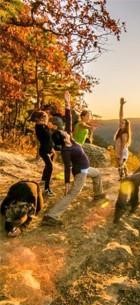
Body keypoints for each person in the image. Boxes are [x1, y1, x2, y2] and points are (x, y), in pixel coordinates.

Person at [43, 92, 106, 226]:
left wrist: (67, 103)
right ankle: (51, 215)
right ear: (63, 138)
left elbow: (69, 120)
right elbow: (67, 168)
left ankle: (98, 194)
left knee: (97, 174)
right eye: (64, 133)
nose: (66, 131)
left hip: (86, 168)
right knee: (72, 194)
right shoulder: (66, 151)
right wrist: (66, 184)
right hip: (81, 172)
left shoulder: (70, 138)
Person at [33, 111, 56, 197]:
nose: (46, 119)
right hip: (44, 150)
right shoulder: (39, 127)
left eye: (46, 117)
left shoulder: (44, 126)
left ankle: (44, 179)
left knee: (48, 166)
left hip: (49, 150)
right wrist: (48, 126)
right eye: (44, 117)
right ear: (40, 118)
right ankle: (46, 189)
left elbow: (49, 139)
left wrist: (52, 149)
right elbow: (45, 138)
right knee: (50, 167)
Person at [114, 97, 132, 179]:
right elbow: (120, 116)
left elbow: (123, 146)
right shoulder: (120, 130)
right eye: (121, 123)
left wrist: (121, 156)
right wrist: (121, 105)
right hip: (119, 151)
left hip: (122, 152)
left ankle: (122, 178)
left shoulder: (124, 134)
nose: (121, 124)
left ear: (126, 125)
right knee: (120, 164)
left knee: (121, 164)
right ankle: (126, 176)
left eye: (123, 123)